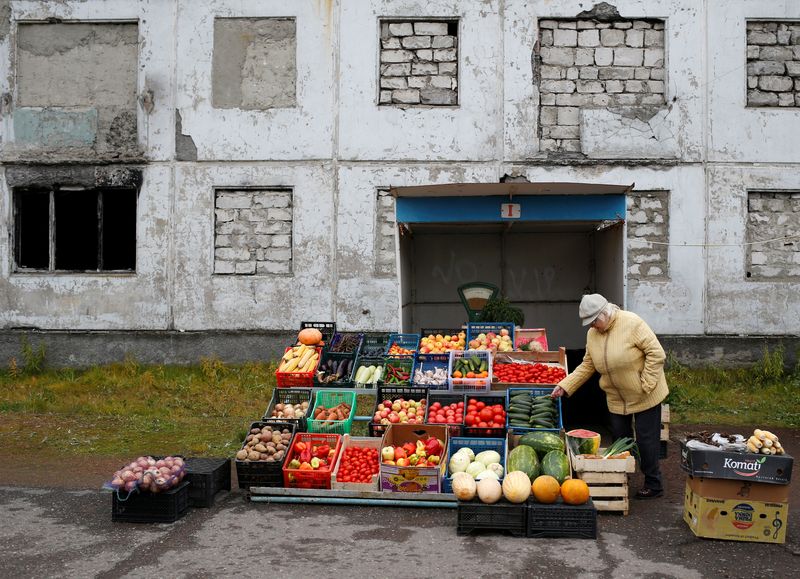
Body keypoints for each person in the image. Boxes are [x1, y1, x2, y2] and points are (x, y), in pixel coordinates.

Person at [551, 293, 669, 499]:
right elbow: (587, 365)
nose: (593, 326)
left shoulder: (632, 323)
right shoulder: (593, 335)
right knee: (620, 440)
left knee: (646, 441)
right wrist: (565, 385)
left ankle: (654, 483)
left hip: (645, 394)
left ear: (605, 312)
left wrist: (646, 384)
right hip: (615, 397)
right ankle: (621, 478)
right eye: (589, 323)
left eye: (595, 320)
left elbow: (656, 353)